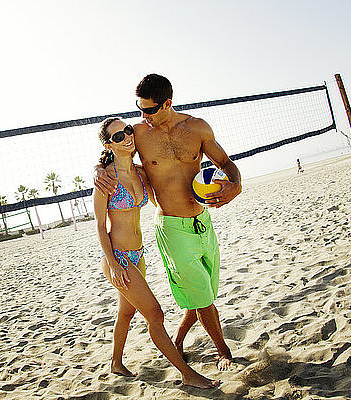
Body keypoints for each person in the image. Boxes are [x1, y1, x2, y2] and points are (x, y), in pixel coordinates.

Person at [94, 74, 242, 372]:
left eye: (148, 110)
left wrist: (235, 185)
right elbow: (115, 155)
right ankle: (222, 351)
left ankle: (174, 341)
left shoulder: (197, 128)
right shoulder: (139, 133)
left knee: (203, 292)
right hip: (171, 227)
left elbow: (225, 164)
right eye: (139, 109)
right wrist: (98, 168)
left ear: (167, 104)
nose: (142, 117)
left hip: (202, 220)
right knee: (199, 296)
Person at [94, 117, 220, 389]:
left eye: (127, 131)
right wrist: (114, 265)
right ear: (108, 144)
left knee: (126, 313)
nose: (127, 137)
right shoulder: (105, 180)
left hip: (138, 255)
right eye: (118, 136)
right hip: (117, 259)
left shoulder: (139, 173)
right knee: (155, 315)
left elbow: (167, 185)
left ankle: (116, 363)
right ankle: (186, 373)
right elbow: (100, 227)